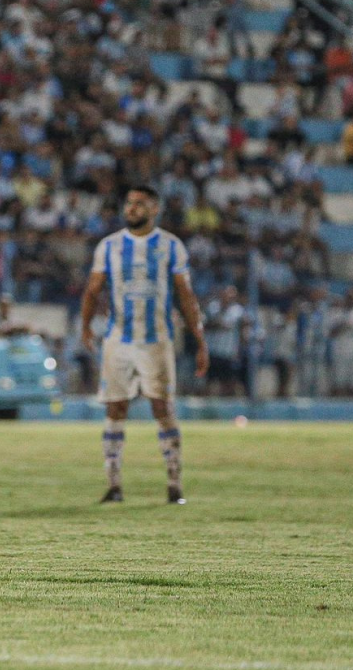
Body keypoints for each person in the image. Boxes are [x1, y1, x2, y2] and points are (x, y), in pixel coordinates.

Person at [81, 186, 209, 506]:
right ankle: (113, 485)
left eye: (140, 203)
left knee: (162, 407)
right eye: (129, 203)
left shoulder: (170, 246)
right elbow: (92, 290)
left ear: (155, 209)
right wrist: (85, 326)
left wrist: (199, 339)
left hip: (157, 339)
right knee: (115, 407)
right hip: (118, 339)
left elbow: (185, 295)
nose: (132, 208)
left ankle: (174, 483)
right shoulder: (109, 246)